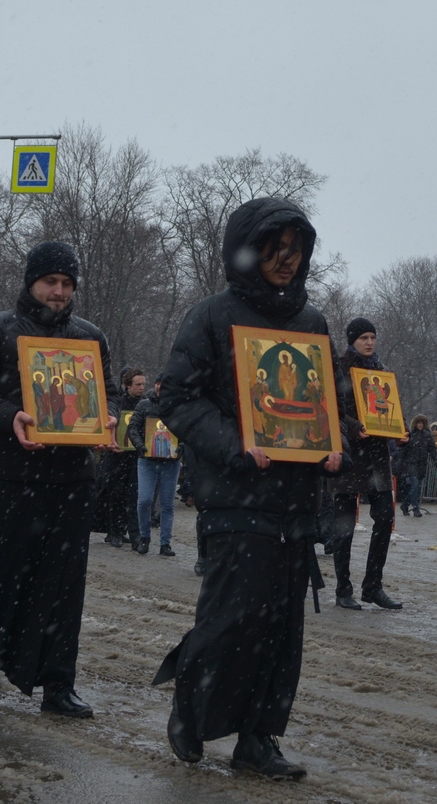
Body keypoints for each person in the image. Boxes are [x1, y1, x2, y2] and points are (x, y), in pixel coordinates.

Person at [152, 198, 347, 781]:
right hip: (235, 493)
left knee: (282, 626)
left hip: (295, 498)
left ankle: (258, 739)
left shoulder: (311, 323)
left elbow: (328, 402)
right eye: (274, 249)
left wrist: (336, 443)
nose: (286, 261)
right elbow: (178, 398)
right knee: (232, 617)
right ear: (249, 249)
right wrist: (237, 444)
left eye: (296, 251)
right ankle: (190, 706)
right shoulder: (211, 316)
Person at [0, 241, 120, 717]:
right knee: (0, 575)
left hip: (71, 479)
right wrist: (11, 417)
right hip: (10, 475)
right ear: (31, 281)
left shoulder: (89, 336)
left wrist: (107, 419)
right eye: (51, 282)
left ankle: (57, 683)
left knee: (65, 586)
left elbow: (106, 393)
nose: (59, 292)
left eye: (67, 284)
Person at [330, 317, 402, 611]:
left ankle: (373, 585)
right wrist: (352, 425)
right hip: (349, 454)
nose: (370, 342)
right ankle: (342, 587)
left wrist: (403, 429)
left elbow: (392, 407)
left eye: (372, 337)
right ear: (352, 340)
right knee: (344, 525)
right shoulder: (338, 366)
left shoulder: (382, 370)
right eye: (364, 338)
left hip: (377, 456)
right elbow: (331, 407)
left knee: (384, 518)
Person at [128, 376, 180, 556]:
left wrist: (180, 448)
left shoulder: (178, 406)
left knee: (167, 504)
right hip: (147, 461)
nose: (161, 387)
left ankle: (165, 543)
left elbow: (187, 430)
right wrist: (140, 446)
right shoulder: (144, 406)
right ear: (155, 385)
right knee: (144, 500)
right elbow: (132, 428)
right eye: (159, 384)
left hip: (170, 462)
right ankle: (144, 537)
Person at [95, 368, 144, 549]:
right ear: (127, 385)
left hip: (135, 455)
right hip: (116, 455)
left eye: (143, 384)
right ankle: (114, 532)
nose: (141, 387)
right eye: (138, 384)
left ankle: (129, 532)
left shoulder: (144, 404)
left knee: (132, 495)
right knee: (115, 493)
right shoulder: (119, 404)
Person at [401, 414, 437, 517]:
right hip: (411, 463)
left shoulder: (427, 435)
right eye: (418, 423)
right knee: (415, 486)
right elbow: (404, 450)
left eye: (422, 423)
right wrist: (402, 464)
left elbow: (432, 451)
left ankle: (405, 504)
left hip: (421, 464)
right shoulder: (410, 435)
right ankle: (415, 508)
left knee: (416, 487)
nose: (420, 425)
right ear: (415, 424)